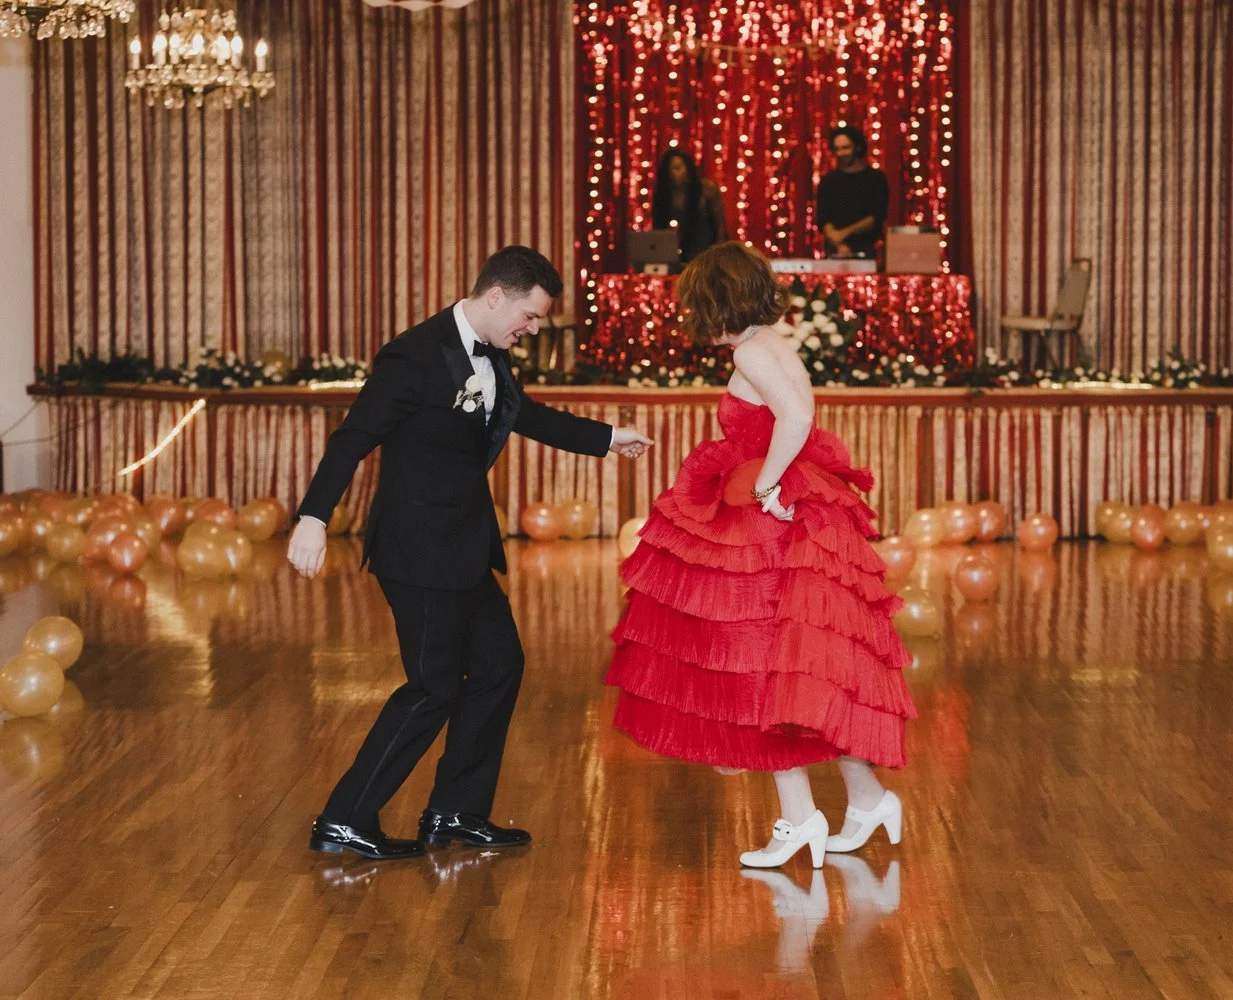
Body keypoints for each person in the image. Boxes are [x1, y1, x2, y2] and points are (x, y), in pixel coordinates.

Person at [288, 246, 653, 861]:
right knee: (432, 688)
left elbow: (521, 414)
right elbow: (354, 437)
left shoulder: (492, 353)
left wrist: (607, 438)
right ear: (495, 298)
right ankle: (344, 818)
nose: (533, 330)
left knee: (498, 667)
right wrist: (313, 517)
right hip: (417, 550)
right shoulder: (414, 355)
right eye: (531, 317)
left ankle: (455, 810)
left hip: (463, 547)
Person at [605, 241, 916, 869]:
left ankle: (802, 819)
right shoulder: (773, 341)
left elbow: (796, 417)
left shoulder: (751, 348)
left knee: (759, 661)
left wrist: (769, 484)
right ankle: (866, 800)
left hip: (773, 515)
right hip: (793, 507)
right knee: (805, 664)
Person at [815, 126, 888, 258]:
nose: (841, 153)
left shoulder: (875, 179)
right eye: (837, 149)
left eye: (845, 148)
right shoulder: (829, 180)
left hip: (868, 248)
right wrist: (837, 242)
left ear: (857, 148)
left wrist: (843, 234)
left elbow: (876, 216)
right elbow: (823, 218)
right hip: (834, 249)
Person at [652, 148, 729, 264]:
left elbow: (720, 225)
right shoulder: (665, 194)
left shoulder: (706, 189)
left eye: (678, 168)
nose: (674, 173)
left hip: (707, 253)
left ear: (687, 168)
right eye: (670, 170)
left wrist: (718, 255)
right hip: (678, 256)